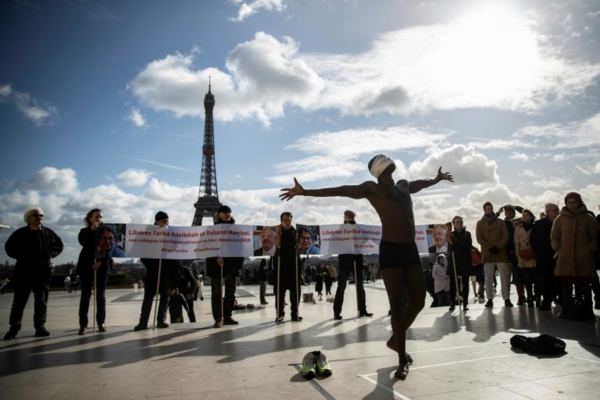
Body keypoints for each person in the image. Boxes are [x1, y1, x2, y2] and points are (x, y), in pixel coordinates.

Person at [280, 154, 453, 380]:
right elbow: (341, 189)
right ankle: (401, 357)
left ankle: (394, 340)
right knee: (397, 305)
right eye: (382, 160)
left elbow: (419, 184)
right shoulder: (372, 188)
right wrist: (305, 192)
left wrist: (436, 179)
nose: (388, 161)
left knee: (418, 301)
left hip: (409, 249)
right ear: (378, 170)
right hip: (390, 249)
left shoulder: (403, 185)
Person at [4, 207, 64, 340]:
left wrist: (49, 254)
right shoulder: (19, 233)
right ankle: (14, 328)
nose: (39, 217)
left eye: (41, 215)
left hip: (42, 272)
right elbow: (9, 248)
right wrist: (22, 256)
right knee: (19, 302)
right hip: (23, 272)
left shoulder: (49, 233)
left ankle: (40, 327)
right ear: (28, 218)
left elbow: (59, 246)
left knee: (41, 301)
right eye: (36, 215)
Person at [551, 192, 598, 320]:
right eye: (569, 202)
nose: (572, 205)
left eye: (574, 202)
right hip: (565, 256)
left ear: (579, 203)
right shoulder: (560, 219)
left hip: (583, 257)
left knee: (585, 284)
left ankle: (589, 311)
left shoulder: (588, 218)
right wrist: (558, 248)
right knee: (566, 285)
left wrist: (590, 249)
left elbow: (595, 236)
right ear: (566, 204)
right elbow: (554, 236)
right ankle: (566, 310)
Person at [134, 211, 173, 331]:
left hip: (165, 271)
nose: (166, 223)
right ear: (156, 222)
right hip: (153, 271)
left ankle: (161, 320)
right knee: (149, 297)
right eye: (163, 221)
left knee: (165, 297)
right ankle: (143, 321)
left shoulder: (170, 235)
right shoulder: (148, 234)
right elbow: (143, 255)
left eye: (167, 220)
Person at [206, 205, 244, 327]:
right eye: (224, 212)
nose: (227, 214)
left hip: (231, 265)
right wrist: (216, 257)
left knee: (230, 292)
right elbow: (206, 247)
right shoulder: (211, 230)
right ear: (218, 214)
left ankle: (227, 316)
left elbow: (240, 247)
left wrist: (237, 264)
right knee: (216, 293)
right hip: (216, 264)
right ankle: (218, 318)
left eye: (229, 212)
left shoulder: (235, 230)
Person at [333, 210, 373, 320]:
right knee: (341, 287)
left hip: (357, 260)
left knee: (360, 287)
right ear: (345, 217)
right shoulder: (341, 229)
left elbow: (366, 239)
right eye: (348, 217)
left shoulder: (358, 228)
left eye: (351, 217)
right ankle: (336, 312)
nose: (350, 218)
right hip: (345, 260)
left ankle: (363, 310)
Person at [88, 225, 124, 333]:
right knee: (86, 297)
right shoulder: (90, 236)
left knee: (101, 296)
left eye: (110, 238)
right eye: (104, 238)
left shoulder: (118, 252)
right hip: (89, 267)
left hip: (104, 268)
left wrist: (102, 260)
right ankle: (83, 324)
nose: (107, 241)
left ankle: (100, 322)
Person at [476, 202, 511, 308]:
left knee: (504, 276)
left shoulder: (500, 222)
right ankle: (490, 299)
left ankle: (506, 298)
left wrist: (498, 246)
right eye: (487, 209)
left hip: (500, 252)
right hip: (488, 253)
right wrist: (489, 247)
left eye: (491, 208)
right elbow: (479, 238)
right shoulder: (480, 223)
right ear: (485, 210)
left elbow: (505, 236)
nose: (490, 210)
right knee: (488, 277)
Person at [271, 212, 303, 322]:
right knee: (280, 294)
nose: (287, 222)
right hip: (280, 267)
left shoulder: (297, 233)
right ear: (281, 221)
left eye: (289, 220)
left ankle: (295, 313)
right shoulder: (276, 233)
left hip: (294, 267)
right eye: (285, 220)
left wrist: (299, 248)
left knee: (295, 294)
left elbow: (302, 248)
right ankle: (280, 314)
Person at [530, 203, 560, 310]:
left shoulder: (562, 222)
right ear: (547, 212)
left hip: (560, 256)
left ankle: (561, 299)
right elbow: (533, 240)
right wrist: (539, 251)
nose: (556, 211)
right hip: (544, 257)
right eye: (554, 210)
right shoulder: (539, 224)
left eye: (557, 209)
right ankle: (546, 301)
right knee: (545, 281)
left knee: (560, 279)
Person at [447, 216, 473, 311]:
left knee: (465, 282)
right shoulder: (450, 234)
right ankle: (452, 303)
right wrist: (450, 238)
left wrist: (457, 240)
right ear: (454, 224)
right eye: (457, 222)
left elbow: (467, 245)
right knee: (453, 283)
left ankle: (465, 302)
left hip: (465, 260)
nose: (459, 224)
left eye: (460, 222)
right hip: (454, 260)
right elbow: (449, 246)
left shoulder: (467, 234)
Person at [514, 209, 538, 307]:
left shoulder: (536, 226)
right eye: (523, 215)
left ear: (531, 216)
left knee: (536, 278)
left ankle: (537, 296)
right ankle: (529, 297)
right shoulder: (518, 228)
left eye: (527, 215)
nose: (525, 217)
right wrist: (518, 254)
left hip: (533, 255)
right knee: (527, 279)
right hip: (523, 255)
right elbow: (516, 243)